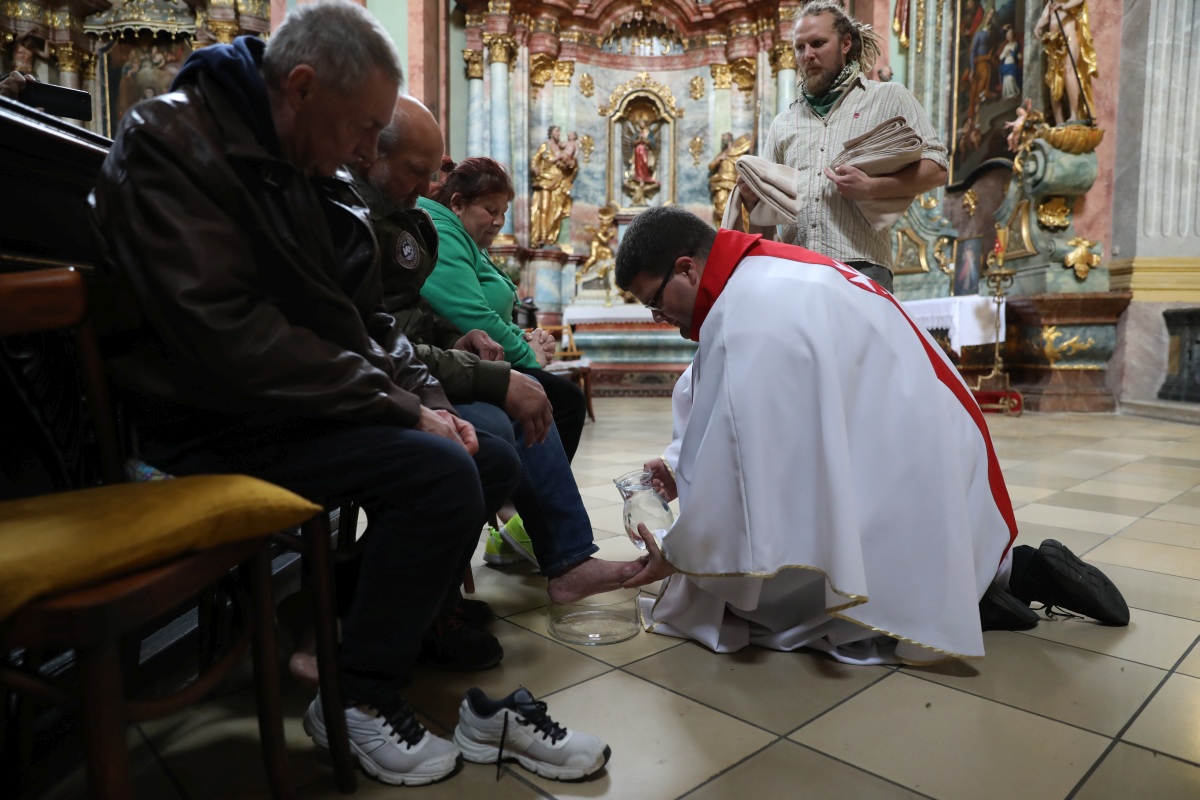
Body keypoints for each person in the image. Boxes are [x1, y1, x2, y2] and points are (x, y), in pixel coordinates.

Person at [87, 1, 586, 786]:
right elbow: (230, 336)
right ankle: (355, 695)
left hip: (290, 406)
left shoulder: (316, 167)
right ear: (303, 86)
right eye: (363, 130)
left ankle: (341, 630)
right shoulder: (170, 144)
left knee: (482, 454)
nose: (369, 150)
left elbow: (370, 320)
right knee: (438, 472)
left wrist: (433, 401)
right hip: (204, 420)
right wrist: (399, 408)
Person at [613, 207, 1129, 664]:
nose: (659, 319)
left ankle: (957, 601)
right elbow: (718, 399)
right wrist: (681, 465)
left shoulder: (748, 310)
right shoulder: (763, 277)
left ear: (687, 268)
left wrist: (678, 552)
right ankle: (1006, 576)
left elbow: (743, 471)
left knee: (760, 594)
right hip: (938, 456)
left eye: (655, 302)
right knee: (845, 518)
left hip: (913, 466)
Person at [354, 94, 638, 601]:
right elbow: (371, 338)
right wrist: (498, 373)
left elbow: (406, 323)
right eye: (419, 172)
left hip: (405, 369)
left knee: (532, 406)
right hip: (365, 388)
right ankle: (389, 592)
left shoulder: (404, 218)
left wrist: (459, 343)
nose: (429, 189)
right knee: (507, 427)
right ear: (366, 153)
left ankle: (555, 553)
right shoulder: (372, 220)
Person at [742, 0, 947, 293]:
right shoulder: (783, 124)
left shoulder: (887, 98)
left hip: (862, 270)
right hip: (794, 272)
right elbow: (768, 217)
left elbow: (938, 169)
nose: (808, 55)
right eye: (800, 48)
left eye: (818, 43)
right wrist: (752, 201)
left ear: (846, 43)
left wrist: (872, 188)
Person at [418, 157, 588, 460]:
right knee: (563, 401)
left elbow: (489, 311)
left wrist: (525, 339)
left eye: (503, 213)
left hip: (474, 356)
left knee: (561, 399)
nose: (498, 221)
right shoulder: (444, 234)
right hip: (452, 361)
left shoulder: (469, 242)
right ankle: (523, 503)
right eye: (490, 210)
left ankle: (523, 502)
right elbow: (471, 315)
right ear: (458, 203)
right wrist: (530, 357)